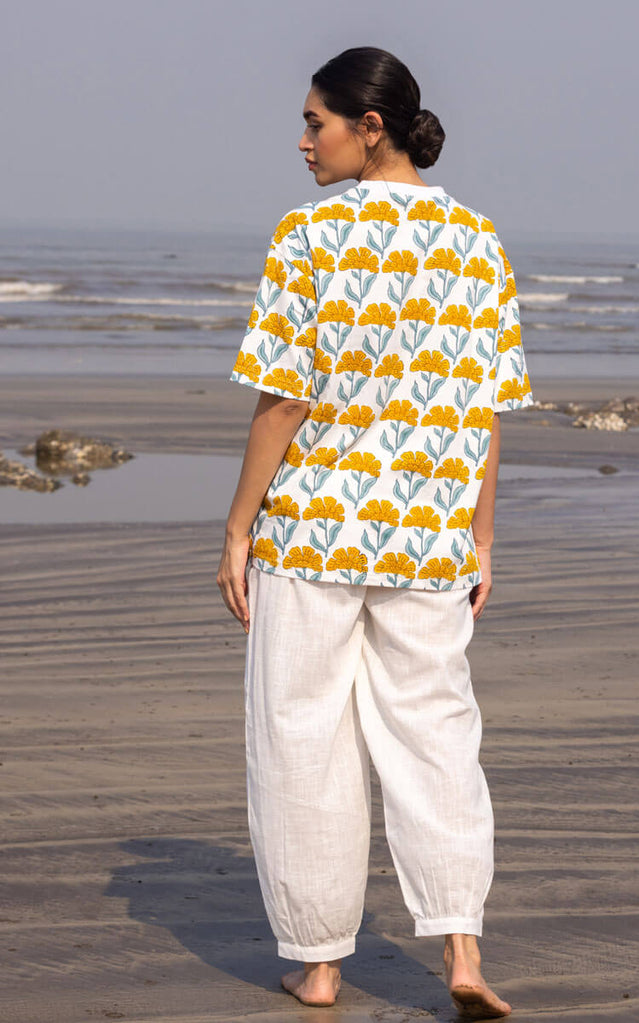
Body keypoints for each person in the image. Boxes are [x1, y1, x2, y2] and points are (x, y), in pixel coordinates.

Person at [217, 46, 532, 1018]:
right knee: (436, 736)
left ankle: (318, 965)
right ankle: (462, 953)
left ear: (370, 126)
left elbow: (283, 400)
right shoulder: (475, 241)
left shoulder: (309, 234)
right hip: (427, 537)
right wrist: (480, 538)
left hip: (313, 535)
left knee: (301, 738)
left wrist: (237, 529)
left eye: (315, 122)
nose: (302, 141)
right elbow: (480, 412)